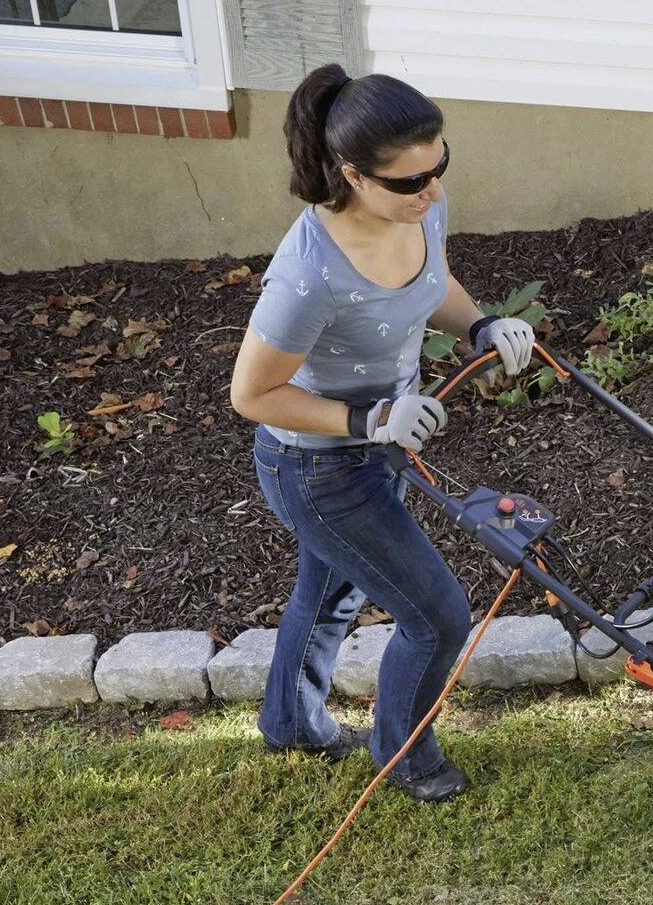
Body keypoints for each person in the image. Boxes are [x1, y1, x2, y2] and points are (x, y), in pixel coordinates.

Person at [228, 64, 538, 801]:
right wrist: (370, 419)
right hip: (316, 469)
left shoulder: (418, 208)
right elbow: (252, 394)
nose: (431, 192)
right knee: (435, 614)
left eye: (440, 169)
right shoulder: (309, 276)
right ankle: (407, 758)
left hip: (382, 444)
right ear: (352, 176)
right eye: (410, 182)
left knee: (329, 589)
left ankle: (291, 725)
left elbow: (433, 286)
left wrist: (482, 324)